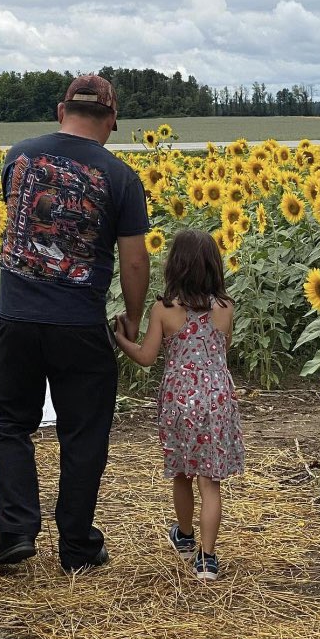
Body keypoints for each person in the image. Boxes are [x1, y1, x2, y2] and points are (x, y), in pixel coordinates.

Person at [0, 73, 150, 574]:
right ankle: (77, 546)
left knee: (9, 423)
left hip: (16, 316)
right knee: (84, 434)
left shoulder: (20, 156)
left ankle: (15, 530)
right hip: (79, 323)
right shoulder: (120, 177)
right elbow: (135, 260)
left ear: (61, 111)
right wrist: (133, 318)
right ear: (112, 120)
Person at [114, 229, 244, 581]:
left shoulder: (164, 310)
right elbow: (223, 351)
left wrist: (120, 339)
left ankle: (185, 537)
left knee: (183, 473)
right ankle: (207, 559)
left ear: (175, 266)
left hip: (180, 402)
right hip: (216, 400)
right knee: (210, 482)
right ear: (214, 267)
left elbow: (146, 357)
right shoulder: (226, 309)